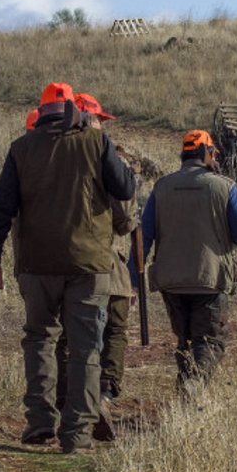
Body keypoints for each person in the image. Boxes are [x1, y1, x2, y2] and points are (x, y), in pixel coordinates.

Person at [0, 82, 135, 453]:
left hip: (36, 265)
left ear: (42, 112)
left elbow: (1, 209)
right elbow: (126, 188)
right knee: (85, 349)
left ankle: (39, 423)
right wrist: (99, 139)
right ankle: (77, 434)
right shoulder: (95, 144)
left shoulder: (21, 149)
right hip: (89, 264)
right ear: (73, 112)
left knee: (39, 339)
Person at [139, 130, 237, 391]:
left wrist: (133, 279)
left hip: (171, 282)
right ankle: (194, 383)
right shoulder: (224, 186)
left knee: (186, 341)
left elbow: (144, 237)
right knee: (209, 342)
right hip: (210, 279)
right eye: (213, 152)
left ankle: (188, 395)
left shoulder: (162, 187)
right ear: (207, 153)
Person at [53, 94, 137, 437]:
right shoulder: (107, 158)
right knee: (114, 331)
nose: (103, 125)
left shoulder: (56, 156)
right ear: (89, 120)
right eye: (100, 119)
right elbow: (125, 221)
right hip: (108, 264)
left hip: (63, 260)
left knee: (71, 334)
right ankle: (102, 395)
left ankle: (65, 398)